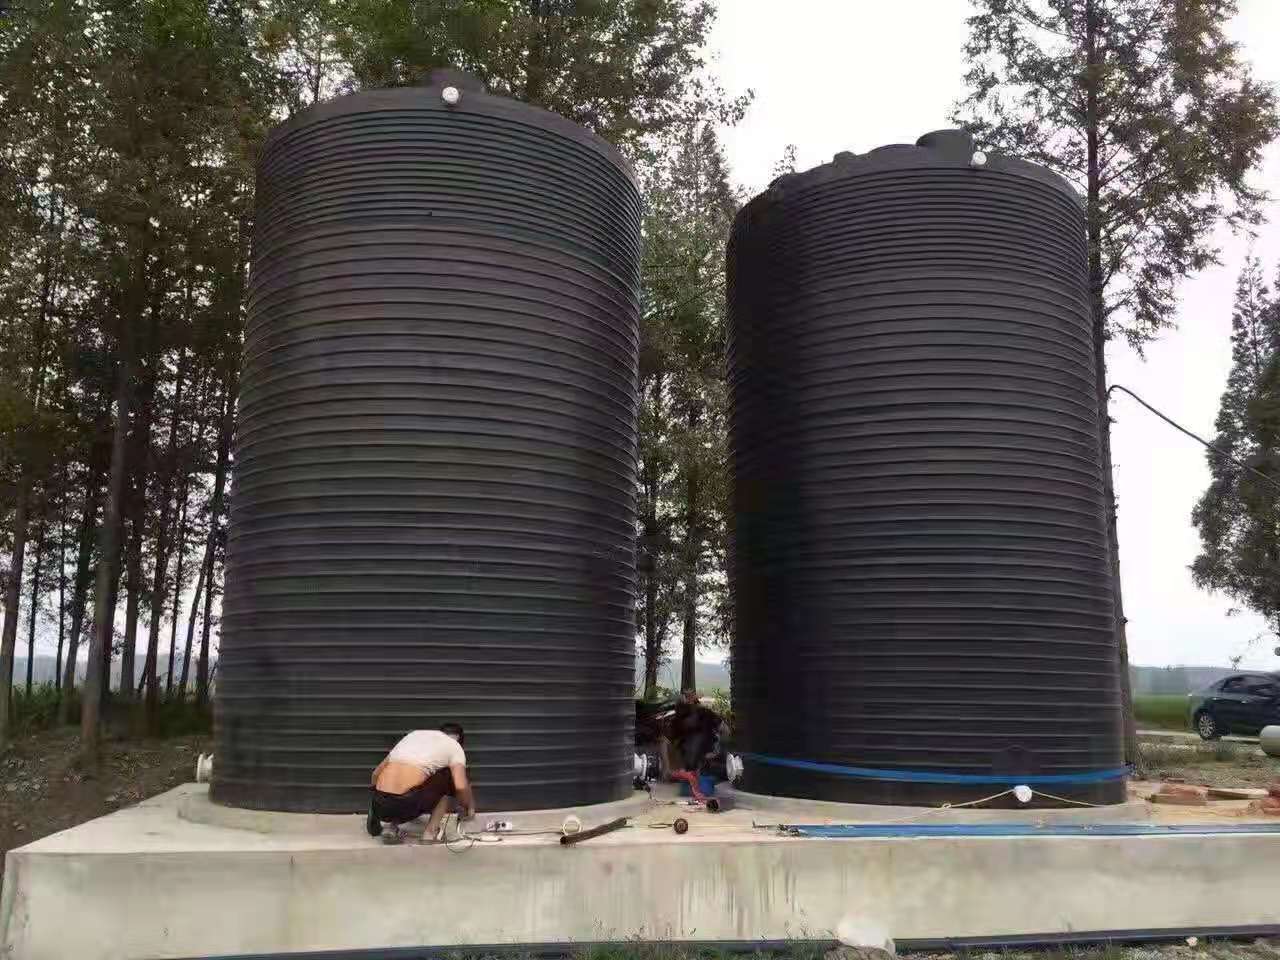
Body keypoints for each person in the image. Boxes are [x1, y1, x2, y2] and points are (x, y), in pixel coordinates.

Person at [366, 722, 475, 842]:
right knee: (449, 776)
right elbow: (460, 786)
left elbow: (375, 774)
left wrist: (377, 801)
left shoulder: (413, 736)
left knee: (405, 786)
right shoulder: (454, 746)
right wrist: (467, 807)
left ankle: (391, 826)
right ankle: (430, 833)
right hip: (408, 804)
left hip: (380, 806)